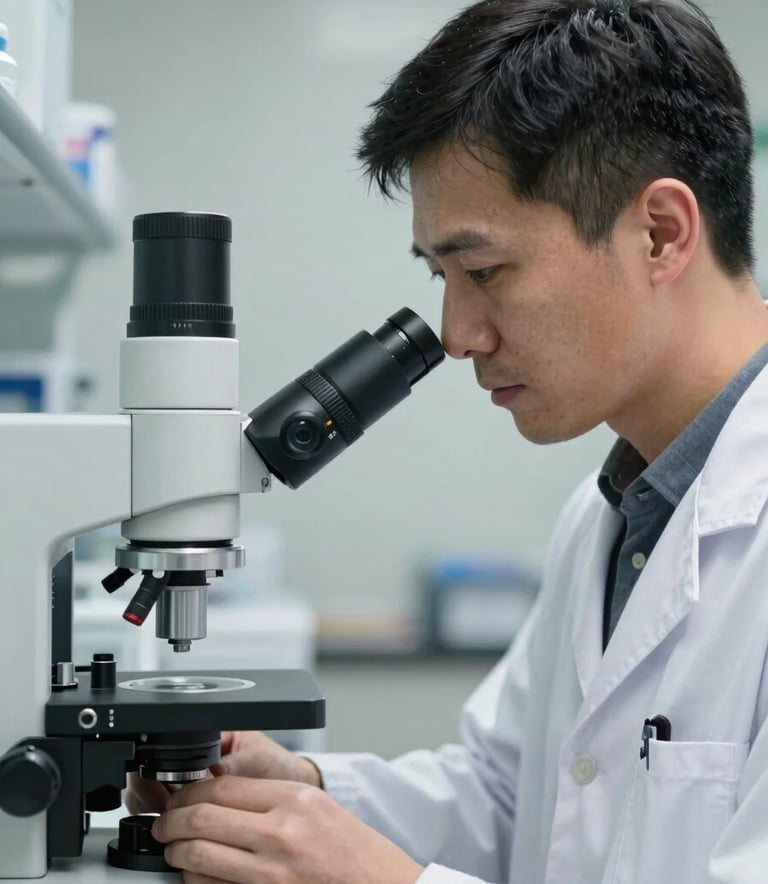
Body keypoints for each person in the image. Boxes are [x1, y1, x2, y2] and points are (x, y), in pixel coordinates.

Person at [129, 0, 768, 880]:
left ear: (659, 233)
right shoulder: (613, 512)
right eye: (440, 277)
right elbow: (511, 797)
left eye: (484, 272)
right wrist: (305, 792)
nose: (458, 332)